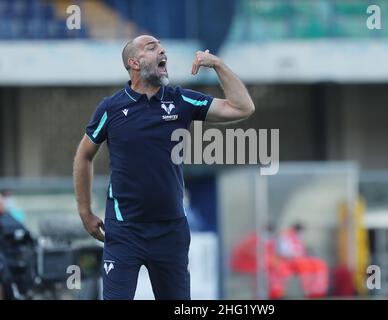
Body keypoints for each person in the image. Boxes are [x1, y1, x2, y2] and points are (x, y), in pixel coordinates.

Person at [73, 34, 255, 300]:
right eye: (152, 47)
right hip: (124, 231)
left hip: (171, 232)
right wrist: (85, 211)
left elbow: (242, 107)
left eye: (161, 46)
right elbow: (84, 156)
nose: (162, 50)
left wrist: (217, 64)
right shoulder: (110, 108)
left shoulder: (181, 100)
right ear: (134, 63)